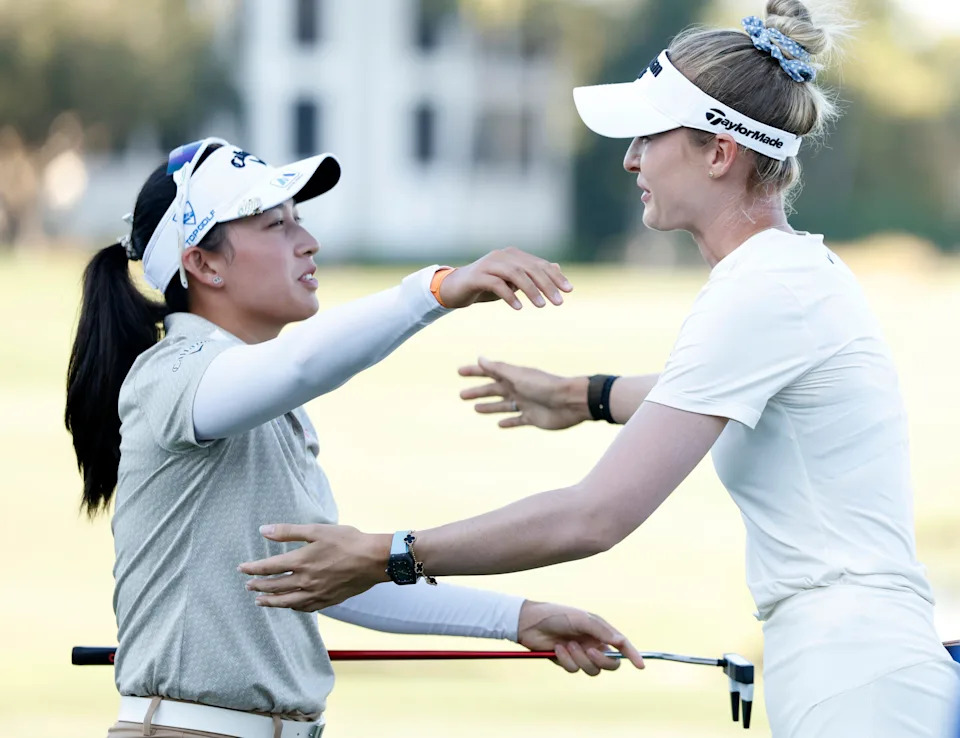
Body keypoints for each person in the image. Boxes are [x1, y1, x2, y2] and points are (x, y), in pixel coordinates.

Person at [238, 2, 960, 736]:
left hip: (856, 676)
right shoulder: (785, 276)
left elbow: (596, 516)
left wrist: (387, 554)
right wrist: (583, 396)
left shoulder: (763, 290)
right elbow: (714, 395)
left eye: (650, 136)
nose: (631, 158)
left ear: (719, 153)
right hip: (849, 663)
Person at [64, 137, 645, 738]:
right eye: (273, 225)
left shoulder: (260, 404)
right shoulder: (174, 373)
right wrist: (434, 291)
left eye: (300, 220)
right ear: (204, 264)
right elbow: (298, 366)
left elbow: (334, 582)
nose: (307, 241)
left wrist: (519, 618)